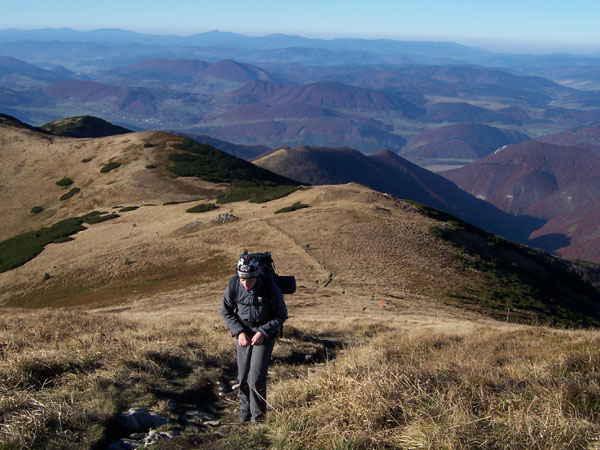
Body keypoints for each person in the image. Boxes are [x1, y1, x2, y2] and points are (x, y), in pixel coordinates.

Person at [221, 255, 288, 424]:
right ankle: (244, 410)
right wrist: (239, 332)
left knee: (256, 377)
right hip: (243, 333)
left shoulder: (270, 288)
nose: (245, 283)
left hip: (264, 335)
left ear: (257, 276)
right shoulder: (234, 285)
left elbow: (281, 315)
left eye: (249, 279)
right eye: (242, 278)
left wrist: (263, 332)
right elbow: (226, 312)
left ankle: (258, 417)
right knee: (243, 376)